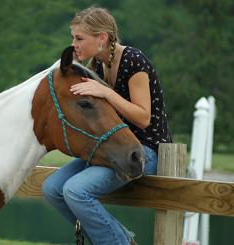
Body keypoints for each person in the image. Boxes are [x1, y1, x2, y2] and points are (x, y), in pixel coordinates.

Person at [43, 6, 172, 245]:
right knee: (52, 189)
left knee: (75, 191)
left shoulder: (134, 60)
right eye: (72, 38)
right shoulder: (95, 67)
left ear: (102, 38)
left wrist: (105, 92)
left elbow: (143, 118)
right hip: (111, 148)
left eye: (79, 38)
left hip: (145, 151)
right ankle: (121, 238)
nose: (74, 44)